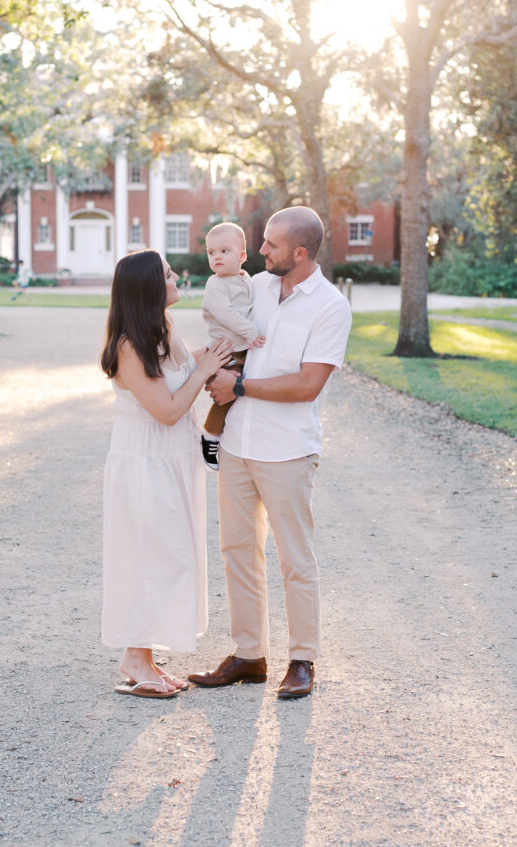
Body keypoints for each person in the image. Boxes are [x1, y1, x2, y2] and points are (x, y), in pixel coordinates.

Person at [188, 206, 352, 699]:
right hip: (236, 444)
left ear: (299, 253)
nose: (260, 251)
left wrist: (237, 386)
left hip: (286, 450)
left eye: (271, 245)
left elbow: (307, 385)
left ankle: (302, 660)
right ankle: (248, 655)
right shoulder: (253, 286)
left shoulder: (329, 306)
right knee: (237, 551)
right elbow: (221, 333)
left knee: (295, 558)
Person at [100, 250, 231, 699]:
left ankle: (146, 656)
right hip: (145, 463)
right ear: (149, 287)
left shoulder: (162, 330)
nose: (177, 277)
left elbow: (179, 374)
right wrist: (207, 370)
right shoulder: (128, 346)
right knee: (148, 559)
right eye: (169, 274)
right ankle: (135, 657)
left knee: (171, 556)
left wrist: (215, 354)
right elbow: (168, 410)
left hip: (171, 461)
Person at [200, 222, 265, 471]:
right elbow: (224, 312)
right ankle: (210, 436)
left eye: (224, 251)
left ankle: (235, 435)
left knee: (245, 389)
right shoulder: (215, 284)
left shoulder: (245, 279)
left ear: (242, 256)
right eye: (211, 252)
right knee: (226, 394)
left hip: (241, 350)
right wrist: (250, 332)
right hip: (225, 350)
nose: (216, 257)